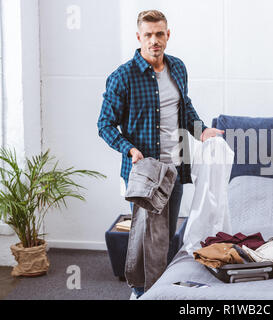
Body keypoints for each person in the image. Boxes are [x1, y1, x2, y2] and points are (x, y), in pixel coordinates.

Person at [97, 10, 223, 298]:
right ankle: (140, 293)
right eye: (149, 35)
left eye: (160, 34)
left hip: (175, 169)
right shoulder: (122, 78)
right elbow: (104, 124)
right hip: (145, 173)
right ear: (139, 37)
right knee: (144, 241)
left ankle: (163, 292)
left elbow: (185, 107)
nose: (155, 40)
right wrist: (128, 148)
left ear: (168, 35)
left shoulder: (177, 68)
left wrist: (202, 132)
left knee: (166, 239)